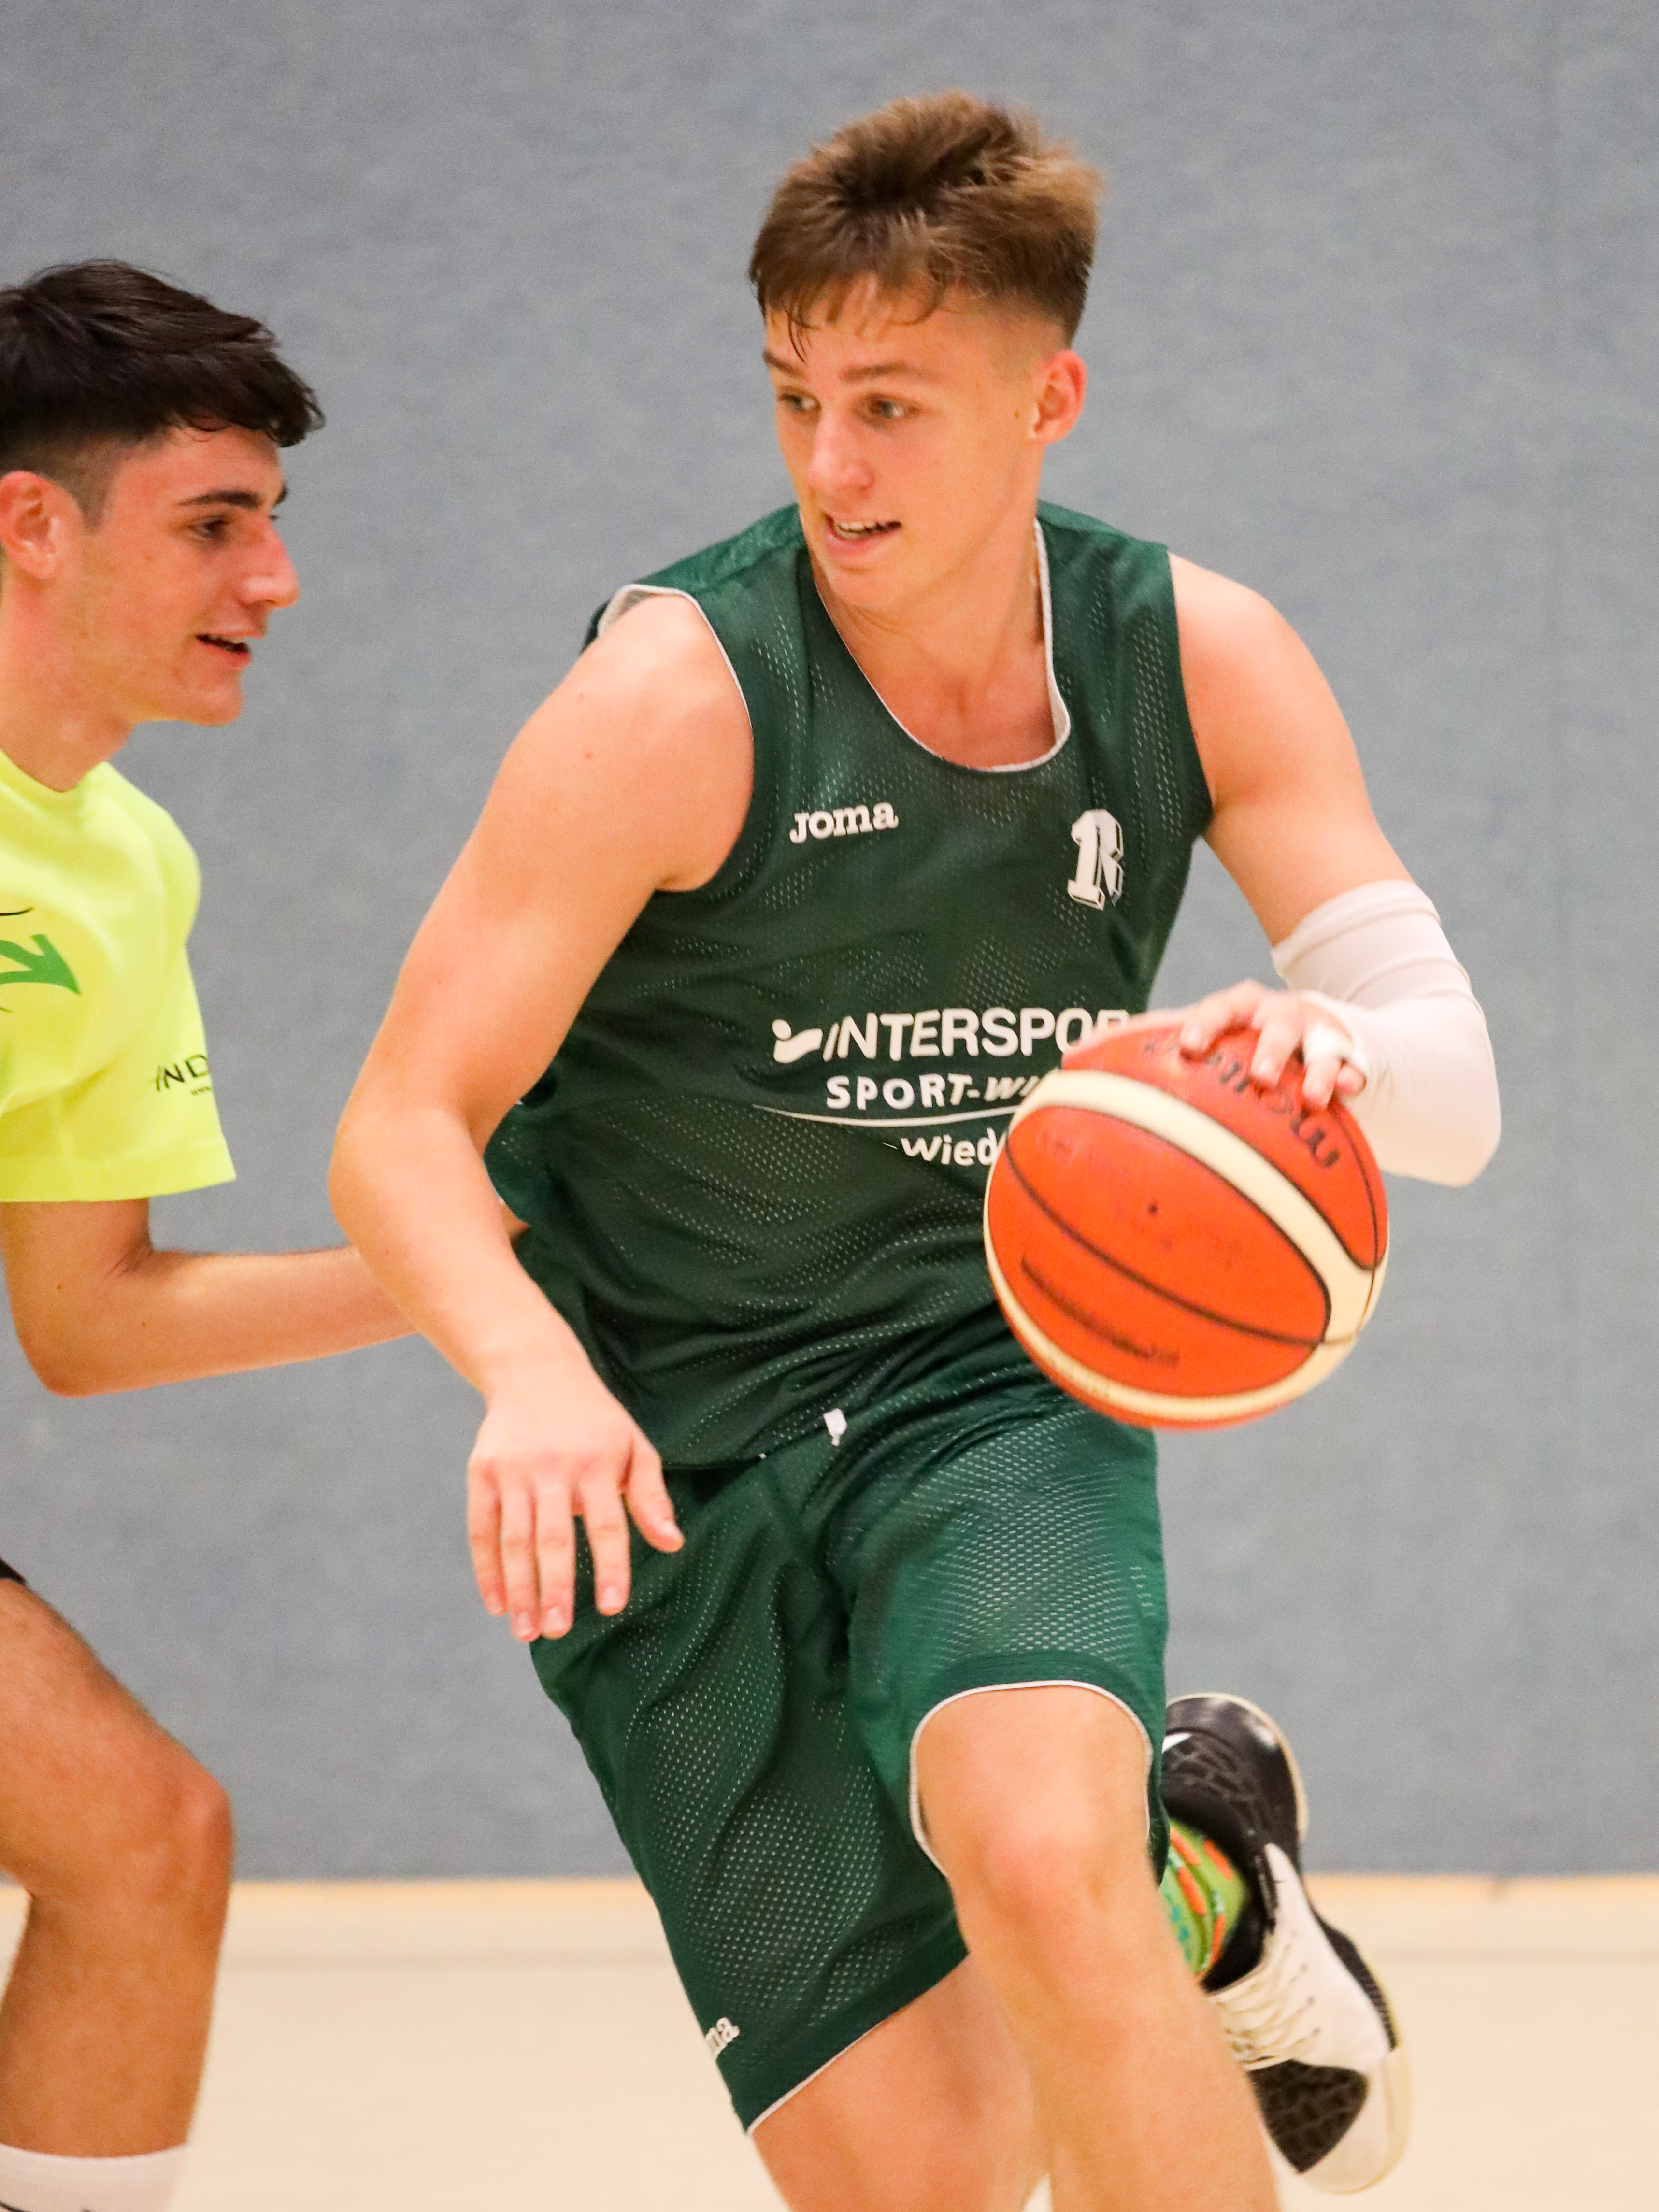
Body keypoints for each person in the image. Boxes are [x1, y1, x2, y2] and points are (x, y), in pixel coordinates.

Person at [331, 94, 1499, 2212]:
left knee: (1039, 1863)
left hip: (985, 1385)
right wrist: (525, 1371)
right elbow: (401, 1118)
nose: (829, 464)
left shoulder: (1192, 655)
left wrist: (1326, 1039)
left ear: (1048, 399)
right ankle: (1200, 1871)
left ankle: (1117, 1860)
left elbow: (1455, 1092)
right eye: (795, 396)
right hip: (665, 1439)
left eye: (889, 405)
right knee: (930, 2174)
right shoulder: (674, 699)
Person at [0, 261, 411, 2212]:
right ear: (32, 524)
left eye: (271, 522)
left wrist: (482, 1267)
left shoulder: (125, 867)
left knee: (143, 1836)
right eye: (215, 525)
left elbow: (91, 1317)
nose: (275, 579)